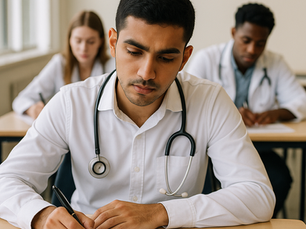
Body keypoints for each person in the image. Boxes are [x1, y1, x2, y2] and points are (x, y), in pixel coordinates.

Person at [0, 0, 275, 228]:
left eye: (166, 58)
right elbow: (7, 181)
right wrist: (41, 214)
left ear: (185, 58)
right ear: (112, 43)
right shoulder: (72, 102)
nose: (146, 73)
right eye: (134, 51)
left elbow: (258, 195)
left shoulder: (210, 101)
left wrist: (160, 213)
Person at [187, 3, 306, 218]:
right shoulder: (207, 59)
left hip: (258, 148)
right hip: (209, 151)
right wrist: (228, 113)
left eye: (260, 43)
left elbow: (301, 101)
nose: (252, 50)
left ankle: (254, 221)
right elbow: (187, 101)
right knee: (201, 186)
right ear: (234, 32)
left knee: (280, 179)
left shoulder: (275, 62)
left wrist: (275, 113)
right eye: (246, 40)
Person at [12, 10, 115, 120]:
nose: (84, 48)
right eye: (78, 41)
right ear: (70, 40)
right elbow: (20, 100)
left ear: (101, 41)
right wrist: (32, 109)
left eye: (90, 42)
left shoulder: (111, 65)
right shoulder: (59, 63)